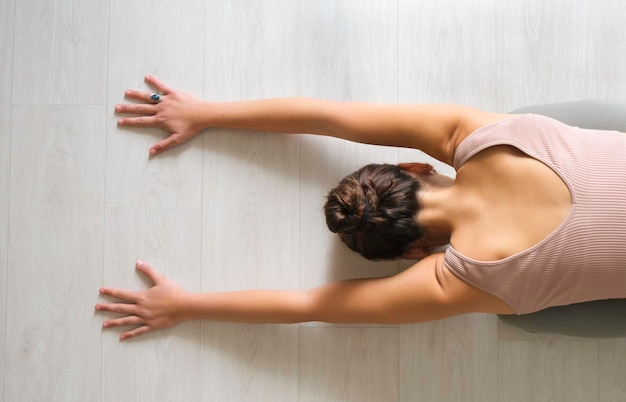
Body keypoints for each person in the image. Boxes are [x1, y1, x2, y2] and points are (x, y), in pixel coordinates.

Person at [95, 75, 626, 340]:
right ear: (413, 167)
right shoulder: (476, 136)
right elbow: (329, 117)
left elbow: (310, 305)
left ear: (413, 251)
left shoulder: (464, 282)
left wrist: (185, 306)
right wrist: (207, 112)